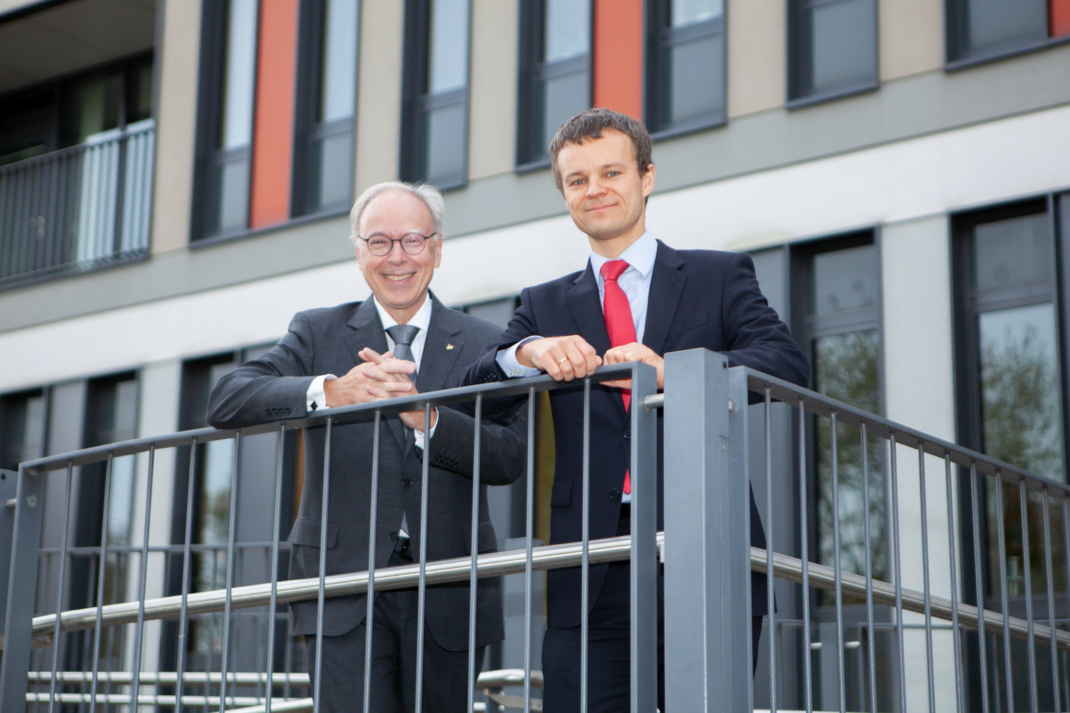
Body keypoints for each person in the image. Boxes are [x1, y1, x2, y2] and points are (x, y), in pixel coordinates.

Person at [459, 108, 809, 712]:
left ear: (646, 177)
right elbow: (478, 384)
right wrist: (530, 350)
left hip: (700, 539)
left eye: (611, 172)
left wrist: (679, 373)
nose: (594, 189)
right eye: (576, 180)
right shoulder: (542, 303)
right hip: (589, 560)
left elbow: (785, 362)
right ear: (564, 194)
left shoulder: (717, 275)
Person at [206, 181, 526, 713]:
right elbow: (226, 400)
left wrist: (430, 420)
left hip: (449, 589)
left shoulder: (486, 341)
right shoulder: (316, 332)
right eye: (379, 242)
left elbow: (510, 455)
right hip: (342, 587)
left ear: (438, 249)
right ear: (359, 253)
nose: (396, 257)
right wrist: (331, 392)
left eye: (413, 241)